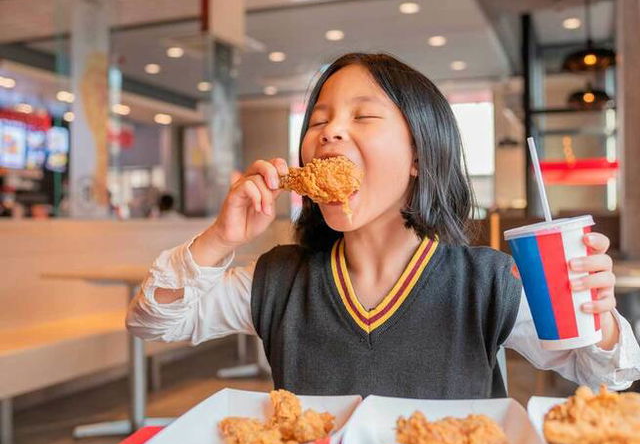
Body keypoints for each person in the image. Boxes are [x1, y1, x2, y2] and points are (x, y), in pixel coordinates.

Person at [126, 53, 640, 399]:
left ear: (419, 154)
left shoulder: (488, 281)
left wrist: (597, 313)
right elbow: (152, 323)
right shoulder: (276, 278)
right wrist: (221, 239)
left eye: (362, 117)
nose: (329, 133)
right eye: (318, 121)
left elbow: (605, 371)